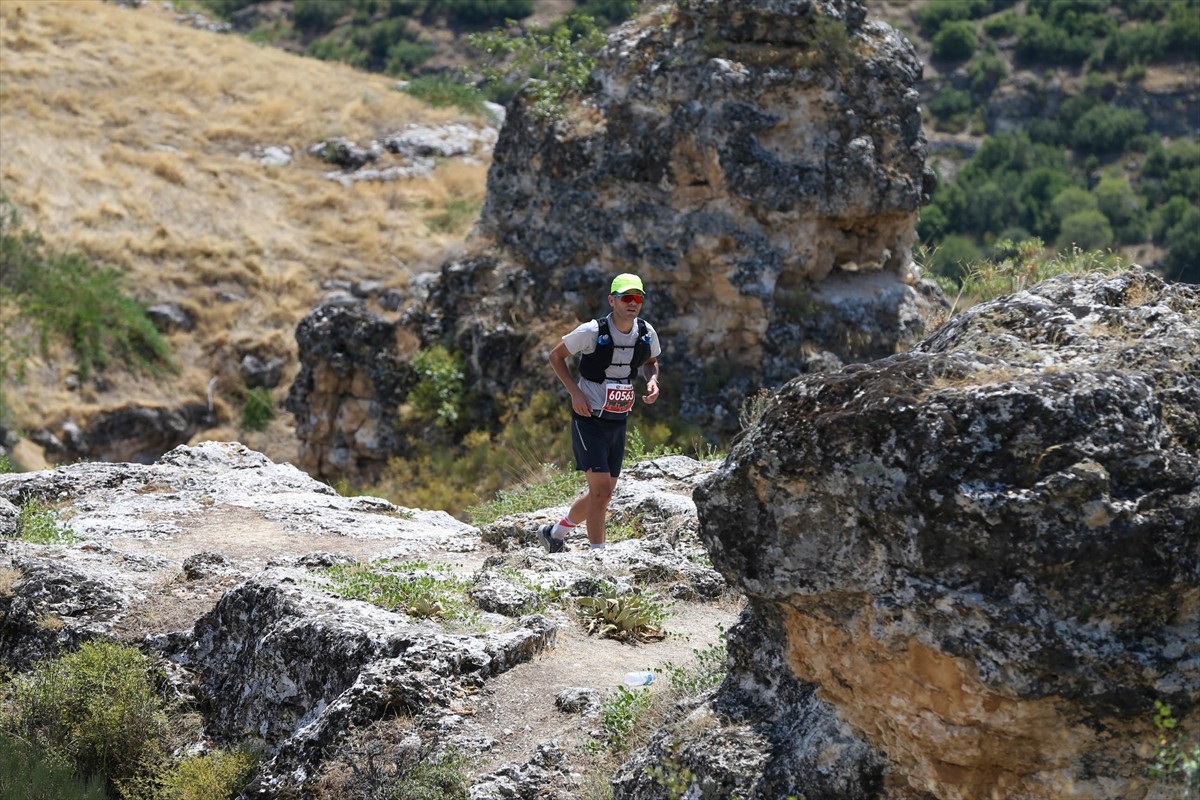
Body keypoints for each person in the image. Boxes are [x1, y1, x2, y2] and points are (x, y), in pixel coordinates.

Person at [538, 273, 661, 553]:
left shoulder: (646, 332)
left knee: (603, 493)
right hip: (589, 419)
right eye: (625, 297)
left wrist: (653, 380)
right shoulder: (592, 331)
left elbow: (651, 362)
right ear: (612, 300)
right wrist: (575, 392)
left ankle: (554, 534)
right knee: (602, 492)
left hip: (618, 419)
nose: (632, 303)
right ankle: (598, 556)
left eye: (637, 298)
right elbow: (556, 356)